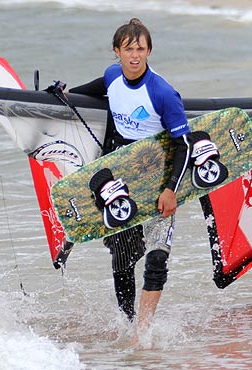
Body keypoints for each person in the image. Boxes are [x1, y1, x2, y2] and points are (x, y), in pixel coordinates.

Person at [67, 18, 192, 335]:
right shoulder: (112, 77)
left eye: (140, 48)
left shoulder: (163, 93)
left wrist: (170, 190)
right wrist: (62, 94)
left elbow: (185, 145)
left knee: (157, 256)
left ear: (149, 50)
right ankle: (127, 320)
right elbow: (95, 89)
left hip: (159, 174)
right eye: (128, 49)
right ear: (116, 52)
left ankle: (143, 332)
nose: (134, 55)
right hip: (121, 171)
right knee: (123, 255)